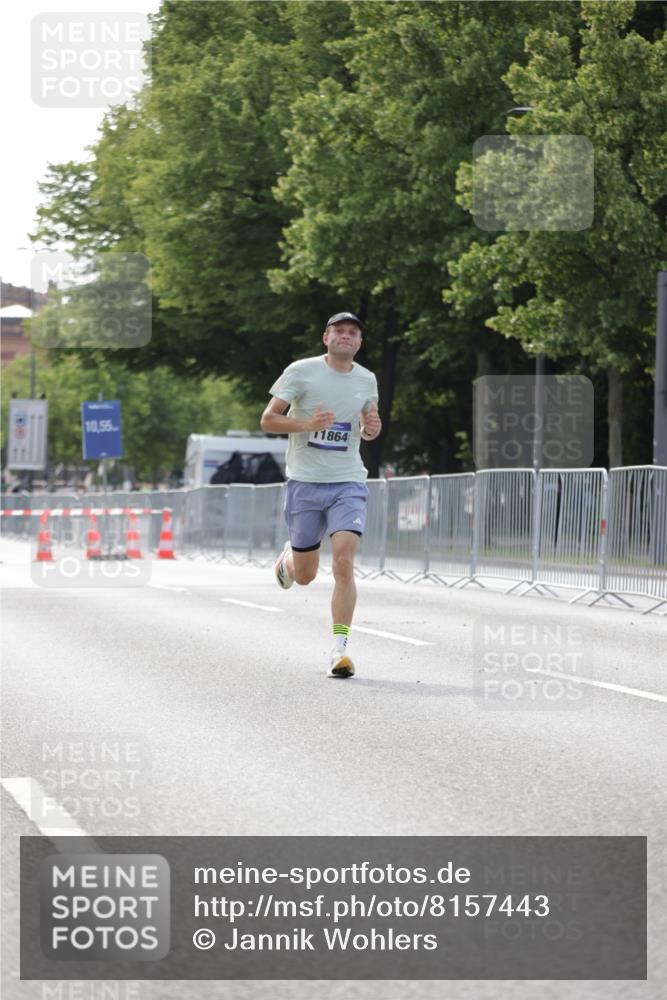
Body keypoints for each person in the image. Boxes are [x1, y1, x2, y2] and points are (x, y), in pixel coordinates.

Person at [260, 311, 382, 678]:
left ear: (359, 342)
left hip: (348, 481)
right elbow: (268, 420)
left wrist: (371, 427)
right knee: (307, 575)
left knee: (344, 560)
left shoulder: (367, 378)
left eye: (353, 333)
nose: (346, 337)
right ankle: (289, 561)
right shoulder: (300, 371)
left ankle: (340, 649)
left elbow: (368, 422)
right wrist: (308, 424)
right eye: (339, 331)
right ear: (325, 338)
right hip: (305, 483)